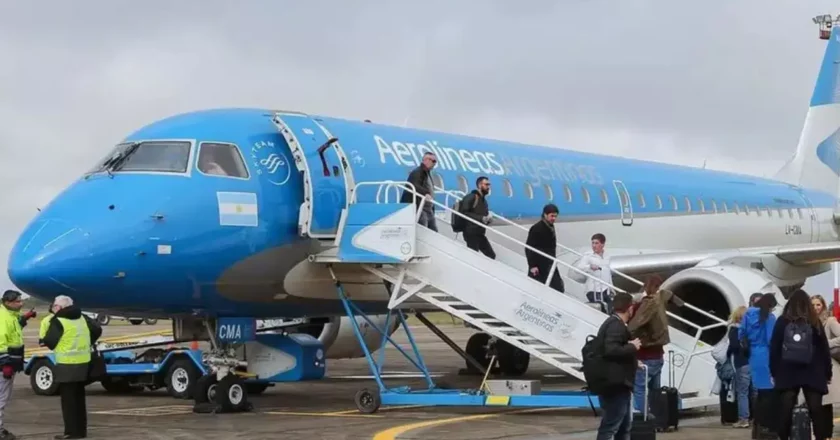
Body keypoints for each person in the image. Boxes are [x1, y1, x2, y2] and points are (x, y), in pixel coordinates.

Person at [770, 289, 832, 440]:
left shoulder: (782, 321)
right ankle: (820, 437)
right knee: (816, 409)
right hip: (813, 370)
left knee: (785, 408)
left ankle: (783, 437)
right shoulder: (814, 321)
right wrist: (827, 372)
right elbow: (824, 349)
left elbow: (774, 348)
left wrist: (774, 371)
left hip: (787, 370)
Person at [43, 295, 102, 440]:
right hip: (83, 362)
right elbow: (97, 330)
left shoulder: (59, 321)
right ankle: (81, 431)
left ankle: (71, 433)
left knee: (68, 401)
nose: (54, 309)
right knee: (79, 398)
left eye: (55, 306)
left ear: (60, 307)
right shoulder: (82, 317)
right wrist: (87, 343)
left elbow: (50, 342)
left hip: (66, 364)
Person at [627, 274, 685, 417]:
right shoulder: (660, 298)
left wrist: (625, 334)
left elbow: (635, 325)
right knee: (655, 389)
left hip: (645, 356)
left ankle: (645, 418)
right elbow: (668, 294)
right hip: (658, 355)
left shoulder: (647, 303)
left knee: (639, 388)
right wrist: (679, 302)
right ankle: (660, 418)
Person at [594, 291, 642, 440]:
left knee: (623, 427)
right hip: (616, 384)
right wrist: (632, 347)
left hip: (619, 382)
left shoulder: (614, 323)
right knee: (611, 426)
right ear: (630, 308)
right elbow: (611, 349)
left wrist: (633, 361)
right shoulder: (615, 325)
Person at [739, 293, 778, 438]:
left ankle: (757, 426)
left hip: (752, 354)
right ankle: (767, 426)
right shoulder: (769, 318)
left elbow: (741, 333)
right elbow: (771, 339)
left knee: (758, 392)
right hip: (766, 354)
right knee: (768, 392)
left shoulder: (747, 314)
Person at [0, 290, 35, 440]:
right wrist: (5, 363)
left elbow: (14, 330)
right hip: (4, 365)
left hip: (10, 363)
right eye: (17, 302)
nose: (20, 304)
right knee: (1, 398)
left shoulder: (10, 316)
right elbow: (1, 342)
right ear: (7, 303)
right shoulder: (3, 318)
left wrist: (24, 318)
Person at [812, 294, 840, 439]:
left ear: (823, 305)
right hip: (813, 367)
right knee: (818, 404)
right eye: (813, 305)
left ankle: (826, 433)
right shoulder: (809, 322)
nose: (816, 308)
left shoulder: (830, 321)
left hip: (827, 366)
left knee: (825, 403)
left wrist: (825, 344)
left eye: (818, 304)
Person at [525, 203, 564, 293]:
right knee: (538, 288)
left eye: (555, 216)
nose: (554, 218)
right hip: (539, 264)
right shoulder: (537, 228)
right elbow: (529, 247)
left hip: (549, 261)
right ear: (545, 215)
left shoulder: (550, 226)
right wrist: (532, 266)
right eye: (552, 216)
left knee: (558, 287)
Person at [724, 305, 751, 428]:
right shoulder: (753, 329)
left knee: (742, 393)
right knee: (755, 392)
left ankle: (743, 419)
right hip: (754, 362)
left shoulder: (734, 329)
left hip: (742, 363)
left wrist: (728, 353)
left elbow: (734, 346)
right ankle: (757, 418)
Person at [400, 152, 439, 232]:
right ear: (426, 160)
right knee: (423, 226)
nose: (434, 164)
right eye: (433, 161)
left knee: (433, 229)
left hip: (427, 208)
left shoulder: (426, 173)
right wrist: (426, 193)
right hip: (419, 207)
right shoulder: (417, 172)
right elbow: (414, 185)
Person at [575, 233, 614, 313]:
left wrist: (612, 288)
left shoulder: (607, 256)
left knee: (612, 306)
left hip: (605, 290)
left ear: (602, 244)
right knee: (602, 306)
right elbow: (578, 268)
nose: (594, 245)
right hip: (593, 290)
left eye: (596, 243)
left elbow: (608, 273)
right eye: (592, 243)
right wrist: (589, 267)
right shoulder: (588, 256)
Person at [459, 176, 495, 259]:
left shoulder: (484, 201)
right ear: (479, 185)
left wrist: (488, 220)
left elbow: (483, 217)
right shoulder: (471, 197)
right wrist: (481, 218)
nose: (488, 187)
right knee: (473, 256)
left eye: (489, 185)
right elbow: (464, 212)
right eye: (486, 184)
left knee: (491, 255)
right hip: (470, 233)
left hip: (480, 233)